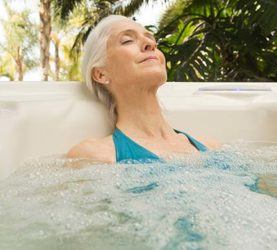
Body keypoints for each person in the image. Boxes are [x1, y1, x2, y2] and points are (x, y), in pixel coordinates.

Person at [67, 15, 220, 164]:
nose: (150, 44)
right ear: (101, 74)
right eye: (127, 41)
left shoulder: (211, 149)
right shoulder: (95, 156)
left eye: (152, 40)